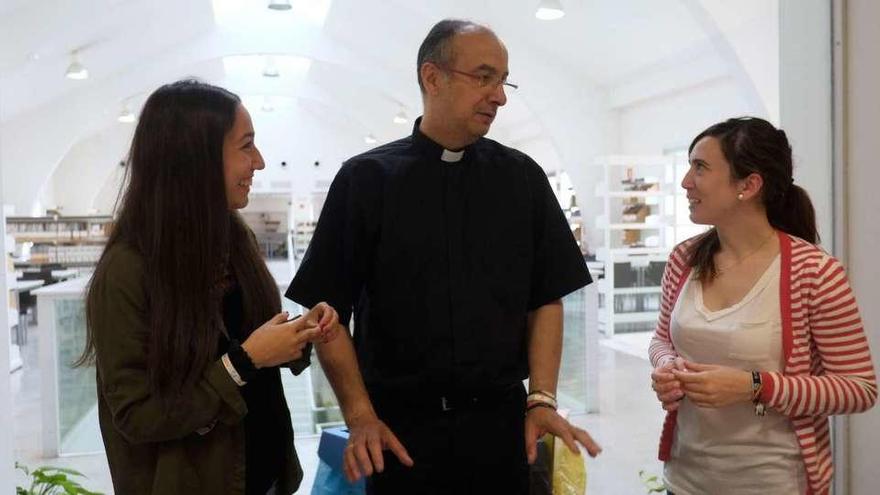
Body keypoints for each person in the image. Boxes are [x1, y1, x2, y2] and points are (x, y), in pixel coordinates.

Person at [286, 19, 601, 494]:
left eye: (503, 80)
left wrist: (541, 399)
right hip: (400, 431)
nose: (500, 96)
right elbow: (327, 313)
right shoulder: (366, 180)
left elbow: (546, 297)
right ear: (433, 78)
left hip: (500, 427)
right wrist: (360, 414)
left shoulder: (522, 179)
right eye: (484, 77)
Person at [77, 79, 340, 495]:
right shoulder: (127, 271)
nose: (260, 162)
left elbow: (248, 342)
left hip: (267, 476)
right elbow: (138, 416)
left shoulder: (236, 242)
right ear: (195, 158)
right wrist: (245, 362)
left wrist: (296, 335)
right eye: (246, 146)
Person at [648, 117, 877, 495]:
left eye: (700, 168)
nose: (686, 182)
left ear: (749, 185)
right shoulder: (683, 259)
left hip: (774, 483)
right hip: (684, 480)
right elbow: (661, 340)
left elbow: (858, 388)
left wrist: (754, 386)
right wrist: (666, 366)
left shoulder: (814, 272)